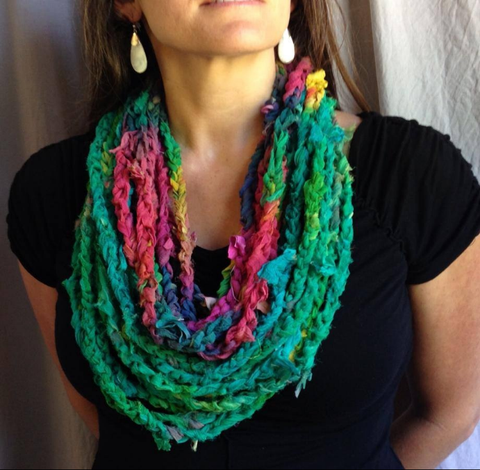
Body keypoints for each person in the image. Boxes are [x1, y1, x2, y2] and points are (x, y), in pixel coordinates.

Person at [5, 1, 480, 469]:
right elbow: (108, 422)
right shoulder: (56, 195)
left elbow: (450, 413)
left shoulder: (414, 178)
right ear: (128, 4)